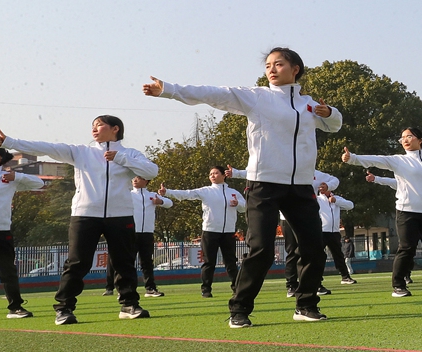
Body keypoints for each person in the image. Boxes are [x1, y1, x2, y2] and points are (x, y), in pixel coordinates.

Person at [144, 47, 342, 327]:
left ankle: (306, 304)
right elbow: (214, 94)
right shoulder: (257, 97)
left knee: (313, 248)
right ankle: (239, 309)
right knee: (261, 248)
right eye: (268, 65)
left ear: (295, 68)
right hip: (264, 184)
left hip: (300, 186)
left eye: (279, 64)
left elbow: (334, 126)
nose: (272, 69)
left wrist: (330, 111)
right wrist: (170, 89)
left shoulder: (308, 104)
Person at [0, 117, 157, 325]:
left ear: (115, 128)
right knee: (77, 263)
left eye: (99, 125)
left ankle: (129, 305)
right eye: (92, 126)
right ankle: (64, 308)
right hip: (85, 214)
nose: (94, 129)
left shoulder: (130, 154)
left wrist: (121, 159)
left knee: (124, 262)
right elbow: (47, 147)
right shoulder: (82, 152)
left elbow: (151, 171)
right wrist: (10, 142)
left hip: (121, 215)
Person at [343, 127, 422, 296]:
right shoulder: (400, 160)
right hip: (407, 212)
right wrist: (352, 158)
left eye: (409, 136)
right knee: (407, 248)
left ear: (420, 140)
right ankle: (398, 286)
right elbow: (376, 160)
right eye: (402, 138)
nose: (405, 140)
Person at [227, 164, 341, 298]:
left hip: (306, 215)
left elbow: (335, 180)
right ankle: (291, 284)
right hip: (286, 217)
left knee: (312, 250)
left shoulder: (310, 171)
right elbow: (255, 172)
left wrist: (328, 186)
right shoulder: (280, 167)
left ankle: (315, 285)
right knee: (292, 250)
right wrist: (235, 173)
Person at [161, 167, 246, 298]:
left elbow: (244, 207)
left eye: (216, 173)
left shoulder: (233, 192)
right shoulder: (206, 191)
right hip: (210, 231)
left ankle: (237, 288)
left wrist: (238, 204)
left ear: (224, 175)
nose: (213, 175)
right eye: (210, 173)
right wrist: (167, 192)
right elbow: (187, 194)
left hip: (228, 231)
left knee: (231, 262)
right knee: (209, 262)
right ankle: (206, 289)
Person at [0, 144, 44, 318]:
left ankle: (15, 307)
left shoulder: (8, 177)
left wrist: (16, 175)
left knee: (7, 270)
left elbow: (39, 183)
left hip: (0, 229)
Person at [105, 176, 172, 297]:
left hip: (147, 232)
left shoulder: (151, 195)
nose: (135, 180)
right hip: (131, 232)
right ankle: (124, 289)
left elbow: (169, 203)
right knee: (127, 262)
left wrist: (160, 201)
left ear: (146, 181)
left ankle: (150, 288)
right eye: (133, 178)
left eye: (139, 178)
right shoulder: (128, 194)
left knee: (147, 262)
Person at [316, 184, 356, 285]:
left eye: (324, 187)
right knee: (319, 256)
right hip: (322, 232)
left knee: (338, 255)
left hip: (334, 232)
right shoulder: (318, 199)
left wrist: (336, 201)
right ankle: (317, 279)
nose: (322, 189)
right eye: (321, 187)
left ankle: (345, 277)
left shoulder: (336, 198)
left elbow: (350, 205)